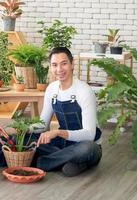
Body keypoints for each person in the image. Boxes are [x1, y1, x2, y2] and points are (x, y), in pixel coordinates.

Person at [34, 47, 102, 177]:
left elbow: (89, 135)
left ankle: (44, 163)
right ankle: (73, 163)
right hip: (62, 145)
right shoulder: (51, 89)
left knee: (87, 149)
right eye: (54, 65)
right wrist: (24, 129)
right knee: (28, 140)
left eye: (64, 63)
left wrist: (58, 132)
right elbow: (42, 124)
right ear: (51, 67)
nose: (59, 69)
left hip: (86, 145)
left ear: (72, 64)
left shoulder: (84, 91)